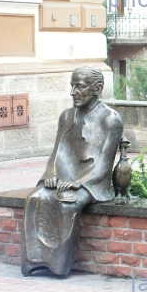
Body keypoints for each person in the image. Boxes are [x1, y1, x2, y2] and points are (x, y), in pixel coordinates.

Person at [21, 66, 124, 277]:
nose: (73, 92)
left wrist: (79, 182)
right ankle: (33, 260)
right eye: (72, 86)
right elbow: (57, 151)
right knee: (35, 198)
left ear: (98, 88)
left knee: (67, 203)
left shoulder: (111, 119)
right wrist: (50, 173)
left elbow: (104, 164)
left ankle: (59, 265)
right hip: (65, 177)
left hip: (93, 182)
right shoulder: (66, 116)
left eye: (79, 87)